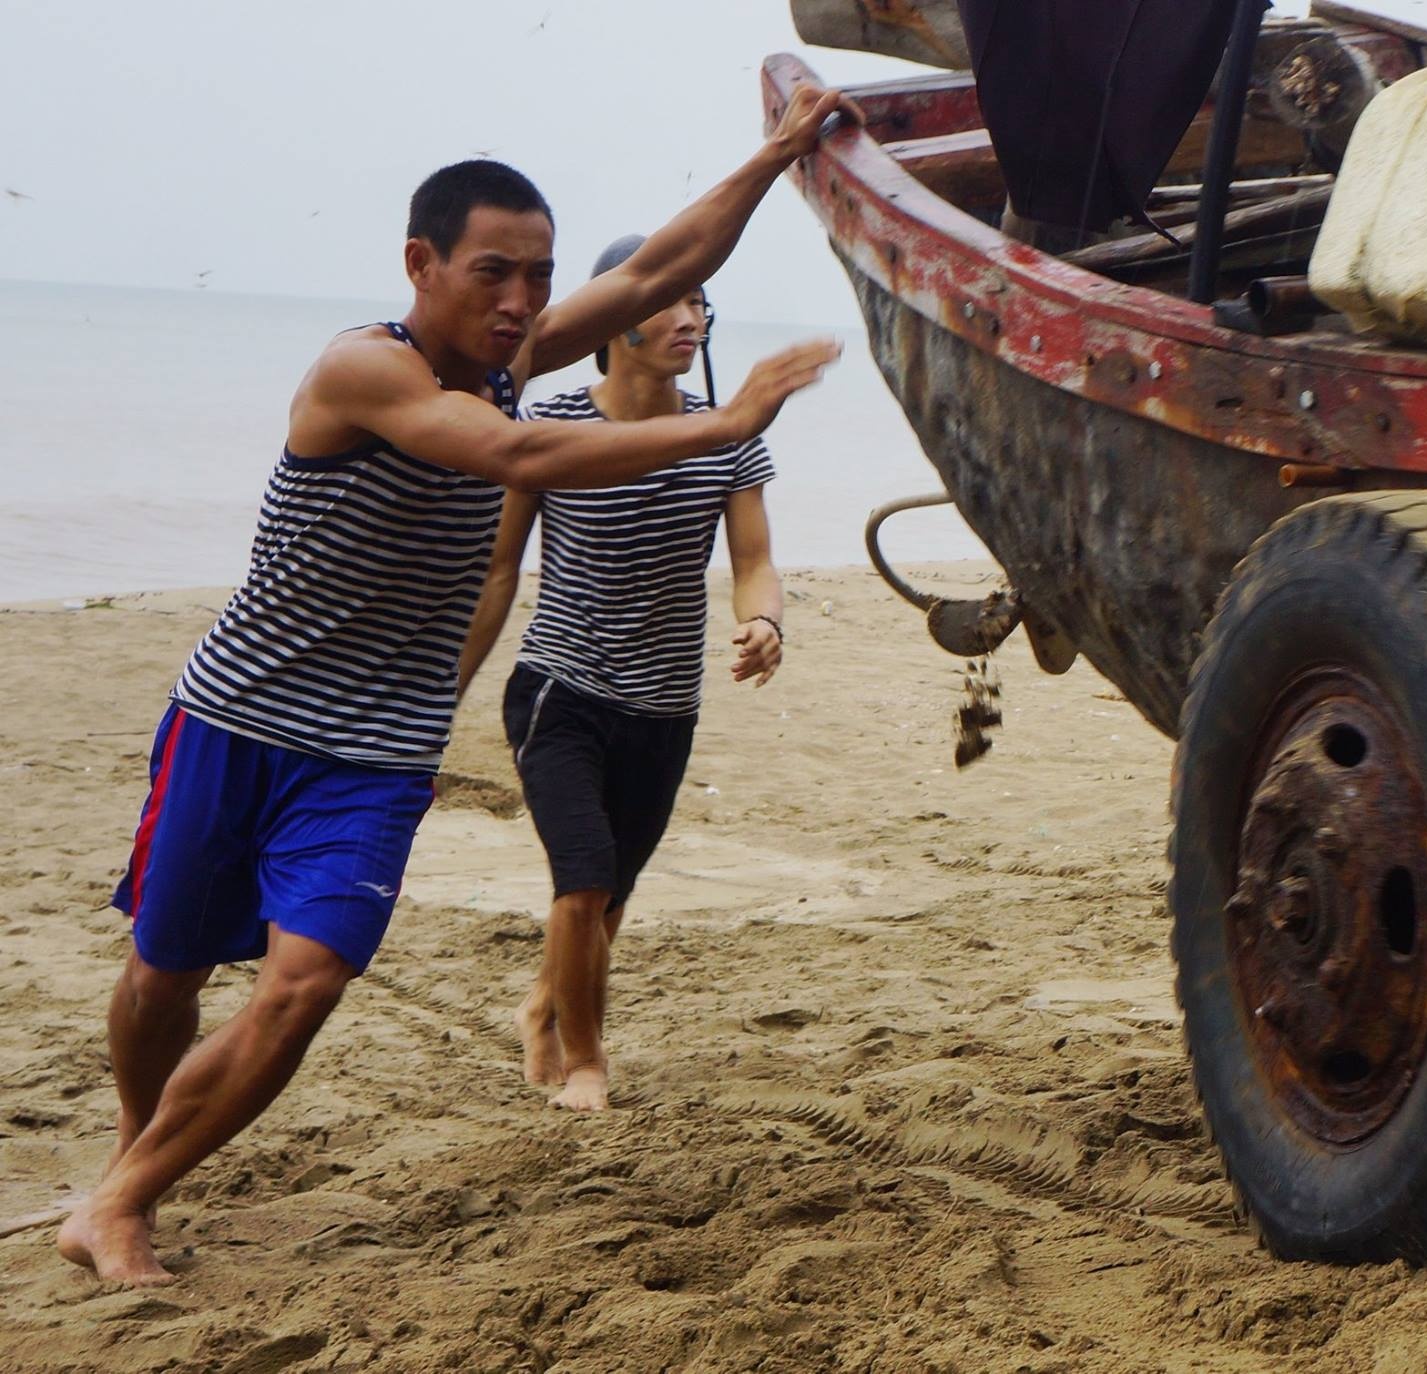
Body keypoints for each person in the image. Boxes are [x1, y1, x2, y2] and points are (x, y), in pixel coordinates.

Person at [58, 84, 857, 1287]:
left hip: (376, 751)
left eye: (538, 276)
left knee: (306, 981)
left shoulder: (508, 359)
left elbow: (666, 263)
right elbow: (520, 453)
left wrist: (779, 154)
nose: (520, 301)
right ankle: (136, 1152)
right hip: (238, 718)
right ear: (420, 265)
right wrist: (724, 422)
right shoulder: (362, 371)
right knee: (164, 972)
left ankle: (122, 1200)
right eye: (493, 273)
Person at [458, 239, 784, 1112]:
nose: (689, 318)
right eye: (669, 300)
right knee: (585, 878)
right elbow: (498, 571)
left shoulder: (727, 437)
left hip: (665, 707)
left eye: (699, 301)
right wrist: (446, 686)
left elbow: (754, 561)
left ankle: (543, 1005)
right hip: (560, 690)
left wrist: (764, 621)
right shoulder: (551, 425)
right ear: (613, 322)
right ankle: (586, 1064)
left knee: (610, 898)